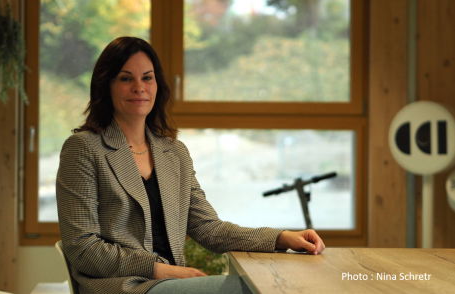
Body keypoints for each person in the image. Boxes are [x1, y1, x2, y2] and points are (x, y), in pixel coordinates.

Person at [56, 36, 325, 294]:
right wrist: (161, 270)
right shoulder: (83, 148)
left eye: (147, 78)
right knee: (250, 288)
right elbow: (82, 248)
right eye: (126, 78)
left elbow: (210, 229)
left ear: (157, 85)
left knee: (271, 281)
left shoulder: (174, 153)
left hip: (171, 284)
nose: (139, 87)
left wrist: (281, 238)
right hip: (124, 287)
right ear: (107, 86)